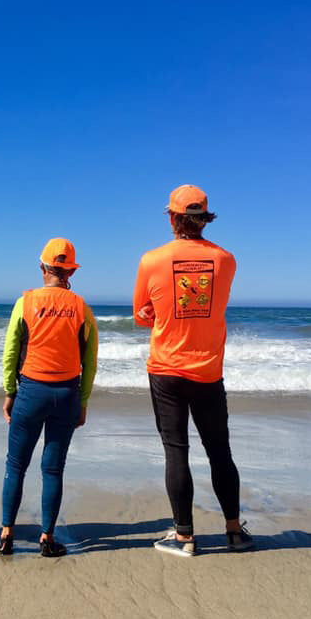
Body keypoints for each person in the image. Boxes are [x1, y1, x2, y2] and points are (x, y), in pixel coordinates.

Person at [133, 185, 254, 556]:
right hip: (208, 370)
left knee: (176, 451)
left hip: (167, 368)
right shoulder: (226, 260)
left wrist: (159, 312)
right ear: (204, 219)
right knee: (220, 450)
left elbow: (141, 315)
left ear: (172, 217)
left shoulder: (152, 260)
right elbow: (213, 304)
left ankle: (184, 537)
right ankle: (234, 530)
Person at [0, 238, 99, 558]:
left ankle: (6, 535)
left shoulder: (24, 303)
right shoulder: (82, 307)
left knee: (16, 466)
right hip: (66, 394)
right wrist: (82, 400)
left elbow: (11, 351)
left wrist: (9, 391)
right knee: (52, 470)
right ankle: (47, 539)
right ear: (71, 271)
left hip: (30, 392)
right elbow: (90, 360)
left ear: (43, 268)